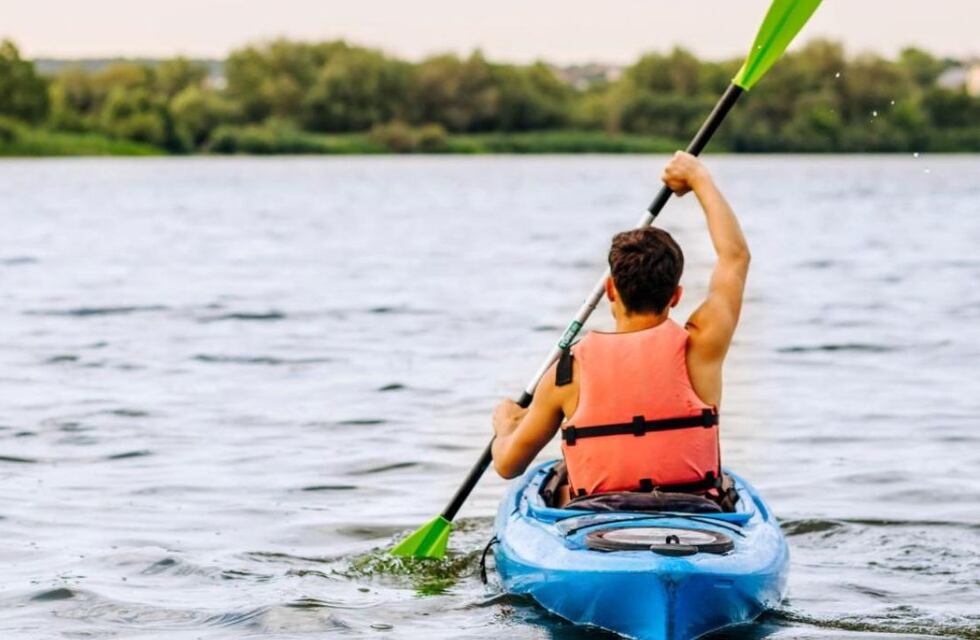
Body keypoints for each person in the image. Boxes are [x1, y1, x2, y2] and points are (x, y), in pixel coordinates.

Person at [491, 151, 750, 506]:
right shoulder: (702, 345)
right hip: (695, 516)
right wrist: (698, 177)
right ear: (675, 296)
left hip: (596, 524)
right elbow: (735, 257)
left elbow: (507, 465)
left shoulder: (566, 374)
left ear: (611, 289)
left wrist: (506, 425)